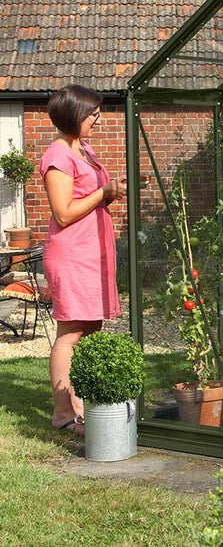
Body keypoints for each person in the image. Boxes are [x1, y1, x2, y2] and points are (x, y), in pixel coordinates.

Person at [40, 85, 127, 435]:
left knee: (92, 327)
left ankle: (82, 403)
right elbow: (62, 213)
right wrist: (102, 193)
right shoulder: (57, 156)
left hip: (93, 252)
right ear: (74, 115)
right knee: (73, 329)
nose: (97, 119)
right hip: (72, 253)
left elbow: (88, 199)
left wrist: (111, 193)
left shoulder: (85, 150)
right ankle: (63, 413)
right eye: (92, 114)